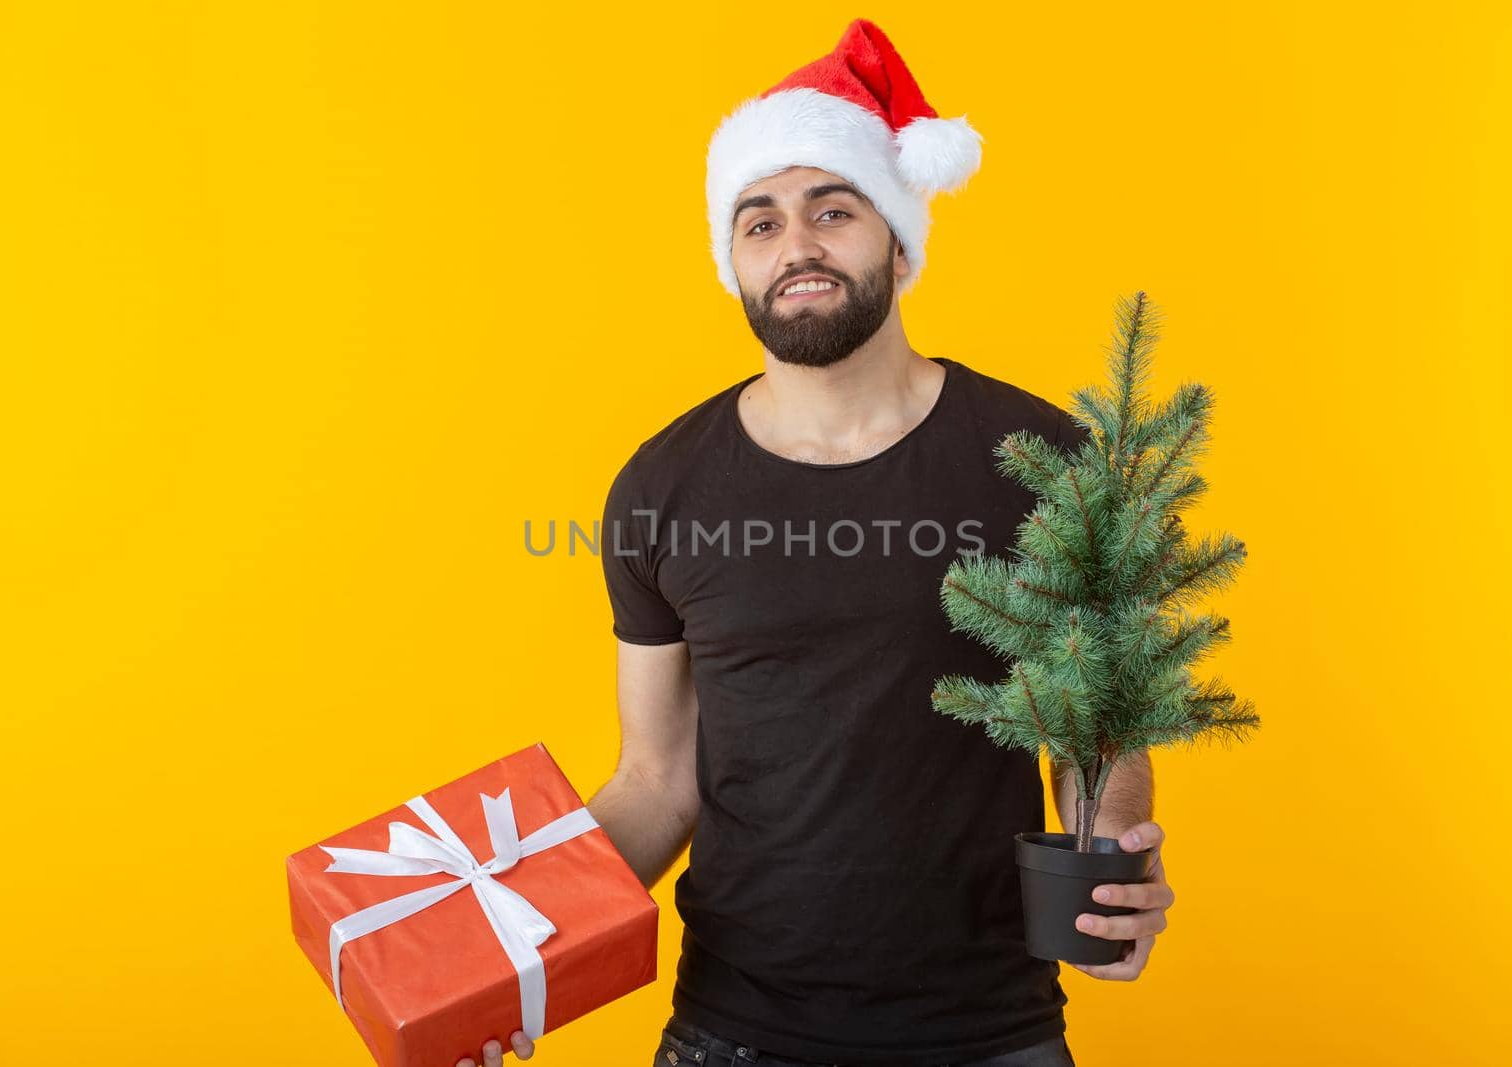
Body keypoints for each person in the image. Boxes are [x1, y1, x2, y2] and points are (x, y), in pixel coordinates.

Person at [456, 18, 1173, 1067]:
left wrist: (1111, 869)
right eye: (760, 222)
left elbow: (1095, 734)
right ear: (733, 261)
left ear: (895, 235)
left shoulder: (1040, 459)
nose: (795, 245)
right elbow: (656, 780)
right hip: (733, 1030)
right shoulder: (661, 487)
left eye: (830, 210)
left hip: (985, 1032)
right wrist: (502, 956)